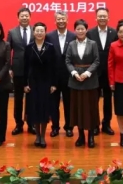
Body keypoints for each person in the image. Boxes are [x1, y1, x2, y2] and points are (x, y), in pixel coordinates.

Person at [66, 19, 100, 148]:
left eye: (82, 29)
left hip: (90, 81)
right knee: (77, 109)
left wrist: (87, 73)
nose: (80, 31)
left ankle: (91, 136)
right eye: (78, 29)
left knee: (90, 109)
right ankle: (80, 136)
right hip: (75, 81)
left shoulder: (93, 44)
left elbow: (96, 61)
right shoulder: (71, 44)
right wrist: (74, 73)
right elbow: (68, 61)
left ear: (86, 30)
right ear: (75, 30)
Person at [24, 22, 57, 148]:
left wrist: (54, 84)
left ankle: (43, 136)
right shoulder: (29, 47)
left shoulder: (50, 47)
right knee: (35, 110)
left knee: (44, 110)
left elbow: (54, 67)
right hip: (33, 83)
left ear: (45, 32)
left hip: (46, 82)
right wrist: (25, 84)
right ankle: (37, 135)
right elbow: (25, 67)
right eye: (37, 31)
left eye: (41, 31)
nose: (39, 33)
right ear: (33, 32)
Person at [86, 8, 117, 136]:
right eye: (100, 16)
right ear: (96, 18)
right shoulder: (90, 33)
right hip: (94, 73)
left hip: (109, 73)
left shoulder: (114, 33)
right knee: (94, 100)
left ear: (108, 18)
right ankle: (94, 125)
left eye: (104, 16)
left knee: (108, 100)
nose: (102, 18)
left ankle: (106, 124)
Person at [45, 10, 76, 138]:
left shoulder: (73, 36)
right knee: (54, 104)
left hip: (69, 76)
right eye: (59, 19)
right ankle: (55, 127)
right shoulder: (49, 36)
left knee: (69, 103)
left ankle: (69, 127)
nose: (61, 21)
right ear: (55, 21)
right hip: (54, 76)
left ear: (67, 20)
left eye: (63, 19)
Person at [7, 7, 34, 135]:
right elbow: (8, 51)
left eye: (26, 16)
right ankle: (18, 124)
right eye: (22, 16)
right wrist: (9, 68)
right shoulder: (12, 32)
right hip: (17, 69)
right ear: (18, 18)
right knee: (18, 98)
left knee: (32, 98)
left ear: (30, 17)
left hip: (33, 69)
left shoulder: (36, 30)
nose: (24, 18)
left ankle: (31, 123)